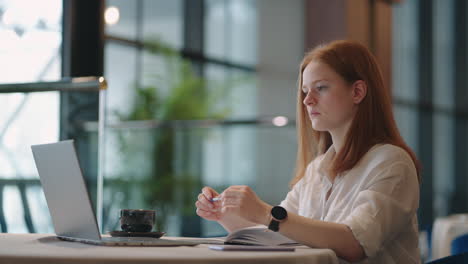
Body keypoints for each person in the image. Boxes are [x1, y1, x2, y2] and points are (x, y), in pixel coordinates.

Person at [195, 40, 421, 263]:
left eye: (320, 88)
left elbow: (356, 244)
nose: (307, 100)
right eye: (305, 91)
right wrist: (225, 214)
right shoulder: (317, 169)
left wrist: (264, 211)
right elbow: (278, 233)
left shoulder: (391, 162)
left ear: (358, 92)